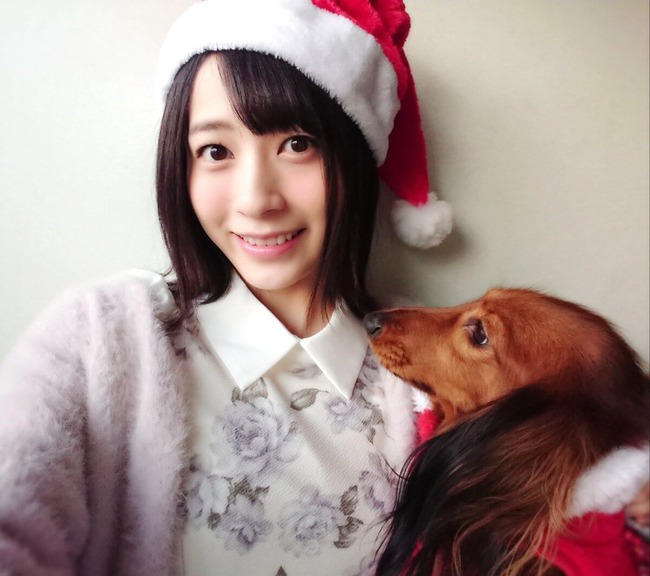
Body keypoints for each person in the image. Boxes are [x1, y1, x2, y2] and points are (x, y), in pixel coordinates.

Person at [0, 1, 646, 575]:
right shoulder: (100, 336)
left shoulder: (429, 381)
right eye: (215, 151)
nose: (257, 199)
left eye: (297, 144)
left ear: (353, 161)